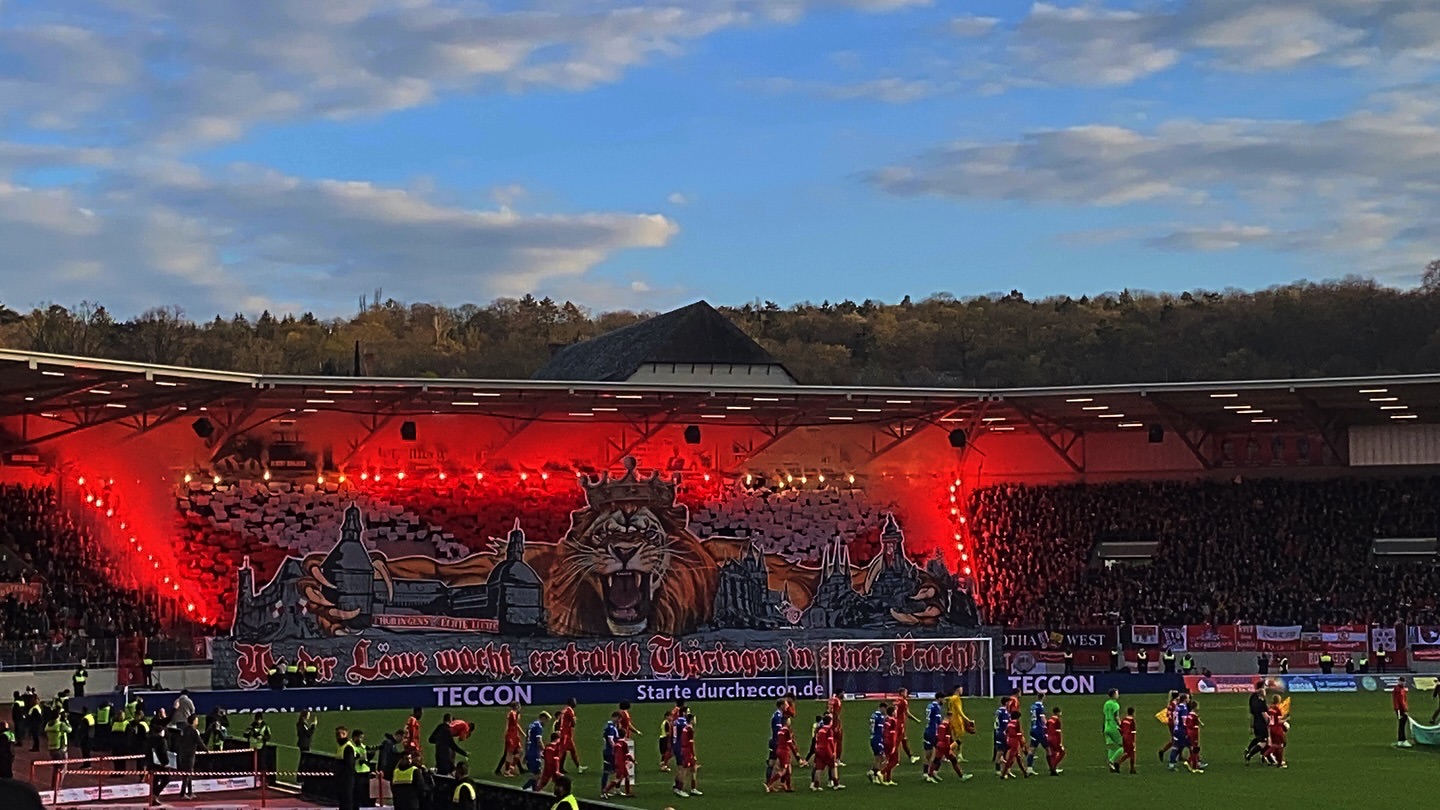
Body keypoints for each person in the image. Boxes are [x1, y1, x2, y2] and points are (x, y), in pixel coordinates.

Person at [926, 717, 972, 782]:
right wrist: (949, 748)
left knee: (936, 760)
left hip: (939, 744)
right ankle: (962, 776)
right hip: (945, 745)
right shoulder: (948, 726)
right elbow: (947, 738)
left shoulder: (941, 725)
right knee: (953, 760)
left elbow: (937, 736)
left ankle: (929, 775)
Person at [765, 715, 802, 793]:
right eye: (789, 720)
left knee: (788, 770)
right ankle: (769, 784)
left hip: (779, 750)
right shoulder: (787, 731)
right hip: (784, 752)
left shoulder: (780, 730)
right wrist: (797, 755)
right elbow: (790, 744)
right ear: (786, 722)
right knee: (783, 770)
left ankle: (788, 787)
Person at [339, 729, 372, 810]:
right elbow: (350, 760)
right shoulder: (350, 746)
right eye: (360, 738)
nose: (361, 740)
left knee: (358, 796)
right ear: (355, 737)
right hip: (354, 774)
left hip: (361, 773)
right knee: (352, 797)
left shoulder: (361, 746)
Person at [810, 714, 843, 791]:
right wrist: (833, 751)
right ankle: (836, 784)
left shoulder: (820, 730)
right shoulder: (829, 730)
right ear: (830, 722)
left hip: (819, 750)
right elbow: (830, 742)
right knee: (833, 766)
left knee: (818, 768)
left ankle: (816, 785)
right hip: (827, 751)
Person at [674, 707, 701, 797]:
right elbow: (691, 744)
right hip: (687, 751)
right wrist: (693, 755)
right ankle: (680, 789)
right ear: (691, 720)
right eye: (694, 719)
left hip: (685, 750)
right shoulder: (689, 730)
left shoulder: (686, 728)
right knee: (685, 770)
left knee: (694, 769)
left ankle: (693, 788)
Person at [176, 714, 204, 799]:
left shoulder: (184, 730)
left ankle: (190, 792)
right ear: (194, 721)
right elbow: (199, 742)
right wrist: (207, 750)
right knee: (187, 774)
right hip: (190, 755)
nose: (197, 721)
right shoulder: (194, 731)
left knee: (188, 773)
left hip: (183, 754)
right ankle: (182, 793)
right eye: (196, 720)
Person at [521, 712, 551, 790]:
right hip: (534, 753)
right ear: (543, 718)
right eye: (546, 720)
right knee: (538, 775)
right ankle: (523, 789)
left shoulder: (531, 725)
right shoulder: (538, 727)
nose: (546, 723)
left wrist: (526, 754)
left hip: (529, 751)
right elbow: (539, 741)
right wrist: (545, 751)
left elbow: (527, 740)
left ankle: (534, 790)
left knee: (536, 774)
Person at [557, 698, 584, 774]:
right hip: (566, 735)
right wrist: (574, 721)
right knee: (563, 752)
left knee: (570, 751)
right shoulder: (570, 710)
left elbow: (560, 721)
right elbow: (573, 723)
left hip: (564, 733)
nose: (576, 703)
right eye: (574, 702)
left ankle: (577, 767)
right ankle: (555, 768)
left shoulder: (564, 710)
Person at [999, 711, 1029, 779]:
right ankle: (1003, 774)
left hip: (1009, 740)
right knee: (1010, 759)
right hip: (1014, 741)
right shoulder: (1017, 722)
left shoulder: (1009, 723)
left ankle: (1025, 773)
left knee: (1018, 758)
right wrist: (1022, 745)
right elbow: (1019, 735)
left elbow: (1005, 732)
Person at [1244, 681, 1269, 762]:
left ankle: (1248, 749)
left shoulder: (1252, 697)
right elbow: (1264, 714)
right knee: (1263, 742)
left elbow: (1252, 714)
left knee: (1258, 738)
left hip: (1255, 722)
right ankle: (1249, 755)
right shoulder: (1261, 702)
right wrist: (1269, 723)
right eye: (1264, 686)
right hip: (1262, 724)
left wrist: (1251, 726)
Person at [876, 705, 900, 786]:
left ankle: (888, 779)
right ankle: (882, 772)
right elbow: (893, 734)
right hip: (890, 742)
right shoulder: (893, 721)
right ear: (892, 713)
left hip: (885, 742)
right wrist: (894, 745)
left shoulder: (886, 719)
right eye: (895, 711)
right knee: (895, 760)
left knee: (889, 760)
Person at [1167, 694, 1192, 772]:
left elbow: (1174, 719)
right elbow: (1184, 722)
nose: (1189, 700)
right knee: (1191, 745)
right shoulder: (1184, 708)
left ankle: (1171, 764)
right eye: (1188, 698)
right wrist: (1188, 730)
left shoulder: (1177, 707)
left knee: (1176, 747)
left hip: (1176, 729)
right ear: (1185, 699)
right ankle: (1195, 762)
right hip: (1182, 730)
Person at [145, 722, 171, 799]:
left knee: (154, 781)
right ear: (161, 732)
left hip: (151, 763)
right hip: (160, 764)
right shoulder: (162, 740)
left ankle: (153, 798)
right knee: (166, 779)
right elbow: (163, 752)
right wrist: (166, 762)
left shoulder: (148, 739)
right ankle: (155, 794)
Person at [497, 701, 523, 777]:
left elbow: (516, 725)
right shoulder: (512, 713)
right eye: (519, 705)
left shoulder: (515, 713)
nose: (520, 707)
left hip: (515, 735)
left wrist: (522, 734)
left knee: (520, 751)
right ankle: (507, 771)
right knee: (509, 753)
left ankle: (511, 767)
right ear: (516, 706)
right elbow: (514, 724)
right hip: (511, 735)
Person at [894, 687, 919, 763]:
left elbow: (895, 710)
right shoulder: (904, 701)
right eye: (906, 692)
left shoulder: (896, 700)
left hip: (896, 723)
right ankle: (894, 760)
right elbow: (907, 713)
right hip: (900, 724)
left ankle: (911, 757)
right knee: (897, 742)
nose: (907, 694)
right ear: (902, 693)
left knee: (904, 740)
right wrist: (916, 720)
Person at [867, 700, 889, 783]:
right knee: (881, 757)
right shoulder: (879, 717)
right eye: (885, 709)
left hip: (874, 738)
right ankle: (874, 773)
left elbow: (871, 727)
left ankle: (873, 774)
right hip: (877, 738)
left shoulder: (874, 715)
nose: (885, 711)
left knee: (878, 757)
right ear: (882, 708)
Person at [1026, 691, 1048, 776]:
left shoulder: (1033, 706)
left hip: (1033, 728)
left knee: (1032, 749)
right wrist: (1048, 726)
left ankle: (1029, 768)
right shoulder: (1040, 706)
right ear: (1043, 697)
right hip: (1040, 730)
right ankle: (1053, 769)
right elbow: (1042, 718)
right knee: (1049, 749)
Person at [921, 693, 943, 775]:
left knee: (927, 754)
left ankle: (925, 773)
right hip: (934, 732)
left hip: (927, 730)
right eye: (943, 699)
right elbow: (938, 721)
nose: (944, 701)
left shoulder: (929, 705)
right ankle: (934, 771)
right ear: (939, 698)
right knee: (940, 752)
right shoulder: (937, 707)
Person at [1264, 695, 1289, 768]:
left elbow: (1269, 718)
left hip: (1271, 728)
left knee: (1276, 744)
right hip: (1277, 728)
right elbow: (1279, 720)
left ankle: (1277, 759)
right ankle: (1278, 762)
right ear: (1278, 700)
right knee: (1280, 745)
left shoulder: (1270, 708)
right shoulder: (1277, 709)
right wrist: (1286, 719)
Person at [767, 698, 788, 782]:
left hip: (774, 741)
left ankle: (769, 782)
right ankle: (774, 783)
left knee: (772, 763)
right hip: (777, 742)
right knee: (783, 764)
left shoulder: (778, 715)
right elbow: (778, 731)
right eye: (786, 704)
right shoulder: (778, 716)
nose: (787, 706)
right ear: (782, 706)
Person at [659, 700, 683, 772]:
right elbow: (668, 733)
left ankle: (663, 763)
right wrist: (670, 740)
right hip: (665, 738)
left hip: (664, 738)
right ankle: (663, 764)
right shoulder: (666, 723)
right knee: (668, 752)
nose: (672, 717)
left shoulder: (666, 722)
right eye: (670, 716)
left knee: (669, 752)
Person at [1103, 688, 1123, 773]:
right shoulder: (1115, 705)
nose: (1118, 695)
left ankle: (1111, 767)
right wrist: (1121, 725)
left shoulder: (1106, 704)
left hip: (1106, 726)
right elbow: (1116, 717)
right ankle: (1111, 761)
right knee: (1122, 746)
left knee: (1111, 747)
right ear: (1114, 695)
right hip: (1113, 727)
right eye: (1117, 693)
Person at [601, 712, 621, 798]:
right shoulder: (611, 727)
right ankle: (604, 791)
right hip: (610, 752)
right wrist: (616, 749)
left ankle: (614, 789)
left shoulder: (609, 726)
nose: (619, 721)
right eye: (618, 719)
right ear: (615, 717)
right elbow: (610, 739)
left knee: (614, 771)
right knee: (611, 771)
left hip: (608, 751)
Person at [1184, 699, 1205, 773]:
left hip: (1189, 733)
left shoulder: (1189, 715)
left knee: (1194, 749)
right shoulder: (1194, 716)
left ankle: (1190, 762)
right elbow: (1192, 725)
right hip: (1194, 734)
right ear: (1195, 707)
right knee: (1195, 749)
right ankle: (1194, 767)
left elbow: (1186, 724)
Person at [826, 689, 846, 766]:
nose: (843, 695)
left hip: (828, 721)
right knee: (838, 741)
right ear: (839, 694)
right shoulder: (837, 701)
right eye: (842, 693)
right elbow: (836, 713)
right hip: (834, 722)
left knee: (831, 741)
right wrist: (836, 725)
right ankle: (836, 759)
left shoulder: (831, 699)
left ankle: (830, 758)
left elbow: (828, 711)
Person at [991, 697, 1010, 775]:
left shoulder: (998, 711)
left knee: (1001, 751)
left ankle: (1001, 767)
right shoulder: (1004, 712)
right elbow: (1006, 724)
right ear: (1006, 703)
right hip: (1002, 733)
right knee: (1001, 752)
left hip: (997, 731)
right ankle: (999, 769)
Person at [1046, 706, 1067, 776]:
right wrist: (1060, 742)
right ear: (1058, 712)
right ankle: (1053, 768)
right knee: (1062, 752)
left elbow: (1046, 728)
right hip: (1055, 739)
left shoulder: (1049, 719)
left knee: (1053, 753)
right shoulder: (1057, 720)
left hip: (1049, 738)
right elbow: (1058, 732)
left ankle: (1053, 769)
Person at [1393, 676, 1413, 748]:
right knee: (1402, 724)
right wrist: (1405, 710)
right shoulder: (1399, 689)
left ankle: (1400, 740)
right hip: (1400, 709)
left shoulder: (1400, 689)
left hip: (1399, 709)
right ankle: (1403, 740)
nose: (1403, 683)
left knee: (1401, 724)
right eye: (1402, 681)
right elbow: (1401, 701)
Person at [1116, 707, 1136, 774]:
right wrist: (1133, 741)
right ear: (1133, 713)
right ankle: (1131, 769)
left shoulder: (1124, 720)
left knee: (1129, 753)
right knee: (1132, 753)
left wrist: (1122, 735)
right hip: (1129, 738)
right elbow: (1133, 732)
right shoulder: (1132, 721)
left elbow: (1120, 729)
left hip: (1124, 738)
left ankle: (1119, 764)